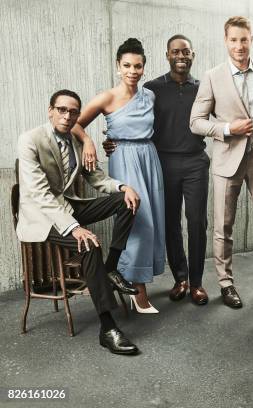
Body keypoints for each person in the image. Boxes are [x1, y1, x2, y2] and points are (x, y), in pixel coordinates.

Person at [17, 89, 141, 354]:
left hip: (69, 206)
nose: (68, 115)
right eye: (62, 109)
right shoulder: (30, 140)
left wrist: (122, 187)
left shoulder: (75, 142)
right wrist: (74, 228)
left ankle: (111, 269)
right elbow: (39, 195)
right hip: (41, 217)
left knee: (127, 201)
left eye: (73, 111)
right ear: (50, 110)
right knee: (89, 244)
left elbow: (96, 178)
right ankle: (108, 328)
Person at [103, 35, 210, 306]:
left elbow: (221, 116)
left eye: (186, 51)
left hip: (196, 161)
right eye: (175, 51)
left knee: (197, 222)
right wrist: (110, 138)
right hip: (163, 163)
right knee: (170, 222)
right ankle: (181, 278)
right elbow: (131, 120)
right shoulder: (152, 88)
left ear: (192, 54)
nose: (181, 56)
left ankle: (197, 283)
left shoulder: (203, 88)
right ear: (167, 55)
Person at [190, 16, 253, 309]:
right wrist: (228, 129)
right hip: (227, 158)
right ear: (226, 41)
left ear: (251, 39)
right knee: (223, 226)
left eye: (244, 39)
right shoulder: (212, 76)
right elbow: (195, 122)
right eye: (234, 40)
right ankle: (226, 283)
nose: (239, 45)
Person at [73, 38, 165, 313]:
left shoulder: (149, 96)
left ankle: (133, 280)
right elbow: (76, 124)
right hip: (124, 161)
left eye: (137, 66)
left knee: (153, 223)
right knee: (139, 221)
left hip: (149, 158)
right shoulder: (106, 97)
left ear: (143, 68)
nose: (132, 71)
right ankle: (138, 292)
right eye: (127, 65)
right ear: (118, 66)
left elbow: (149, 129)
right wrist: (90, 141)